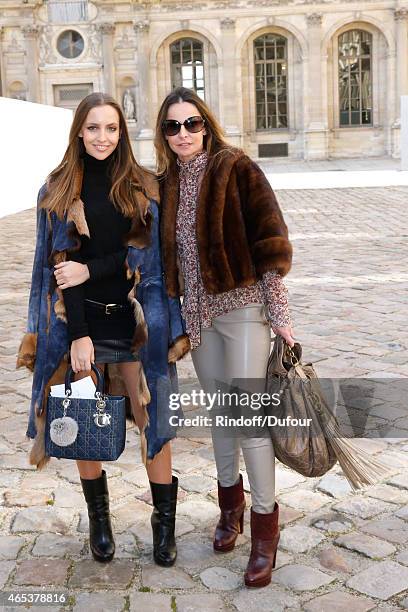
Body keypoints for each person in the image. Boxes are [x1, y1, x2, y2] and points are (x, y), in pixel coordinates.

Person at [17, 92, 190, 568]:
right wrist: (78, 336)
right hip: (81, 321)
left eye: (111, 128)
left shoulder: (144, 186)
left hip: (136, 319)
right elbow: (59, 266)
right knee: (82, 422)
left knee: (155, 420)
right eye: (93, 128)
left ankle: (163, 524)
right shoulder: (56, 190)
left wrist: (93, 270)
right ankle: (100, 520)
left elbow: (147, 259)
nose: (102, 137)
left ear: (122, 132)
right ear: (79, 131)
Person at [154, 87, 294, 588]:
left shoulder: (237, 168)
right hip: (199, 322)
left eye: (192, 124)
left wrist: (279, 315)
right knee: (221, 420)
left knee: (249, 420)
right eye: (173, 126)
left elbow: (268, 240)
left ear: (206, 125)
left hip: (243, 313)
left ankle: (264, 533)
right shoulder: (165, 184)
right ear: (163, 134)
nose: (183, 134)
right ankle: (229, 509)